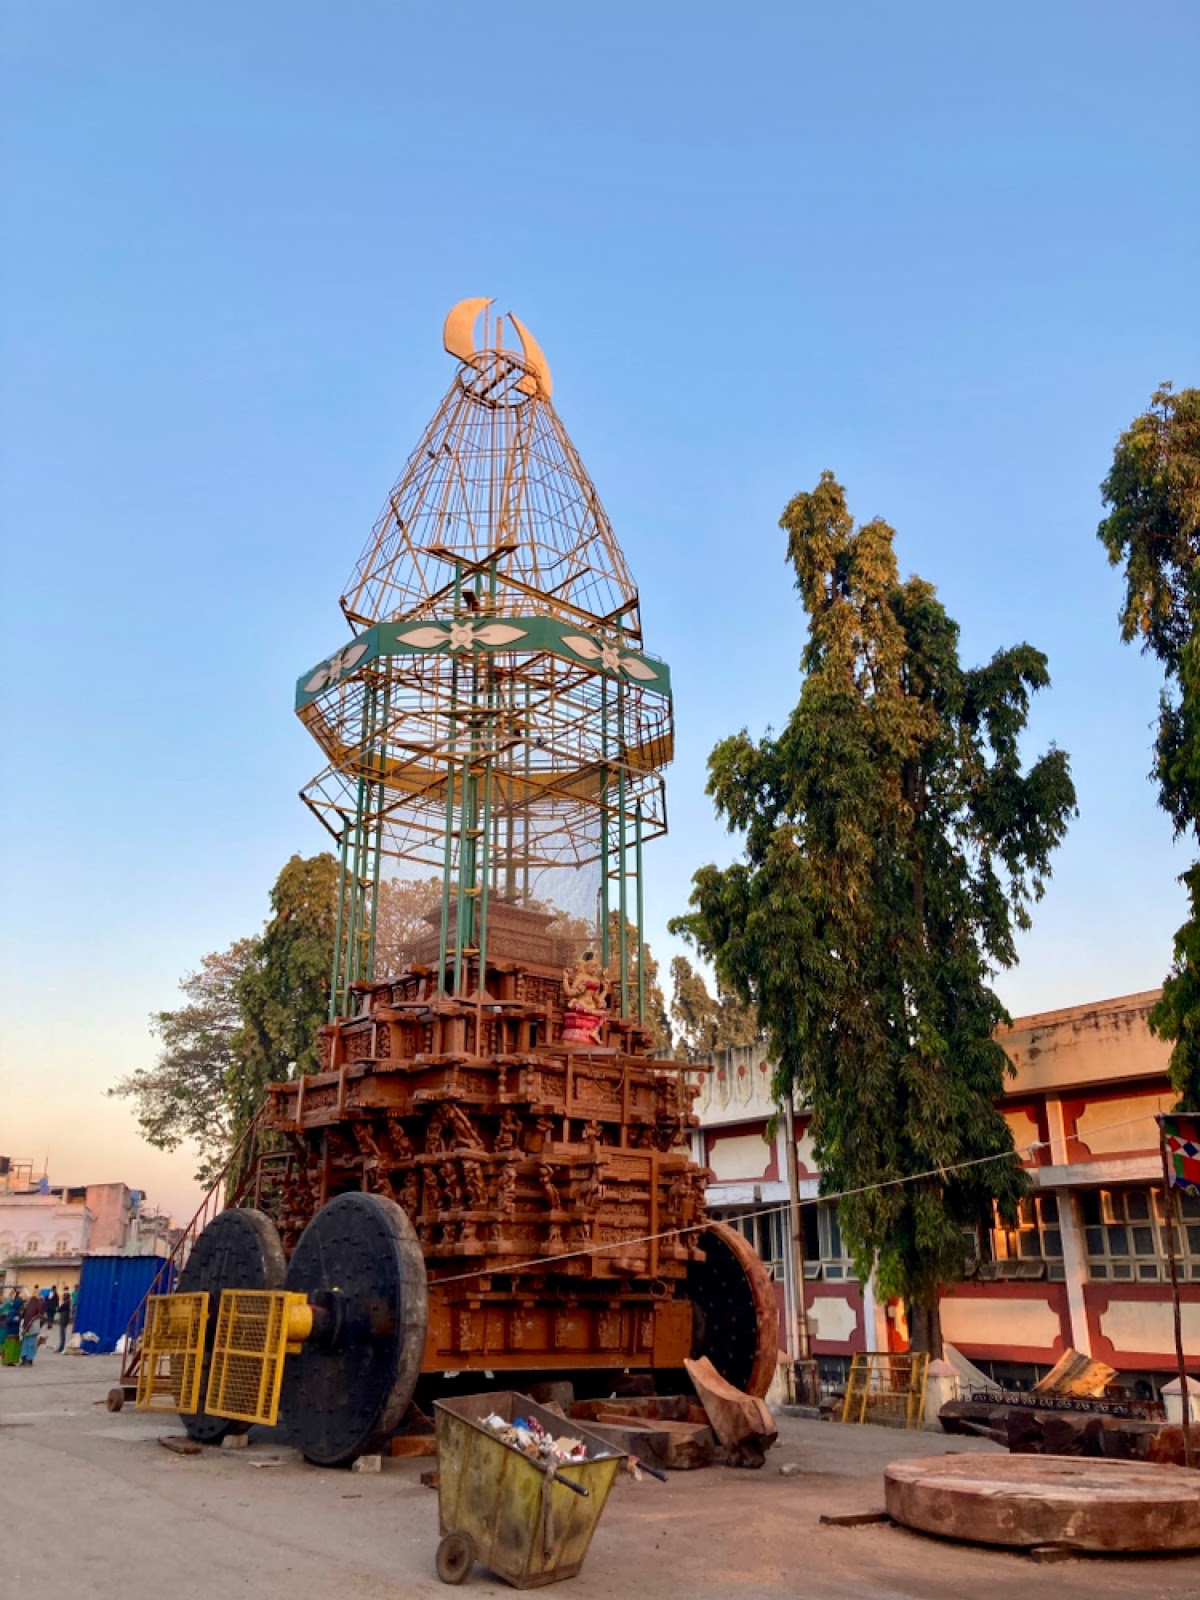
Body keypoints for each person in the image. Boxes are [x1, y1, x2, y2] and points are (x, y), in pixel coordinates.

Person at [19, 1292, 44, 1365]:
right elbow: (42, 1316)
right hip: (34, 1329)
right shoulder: (38, 1306)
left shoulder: (27, 1307)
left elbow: (22, 1316)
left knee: (25, 1343)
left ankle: (23, 1358)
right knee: (32, 1344)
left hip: (26, 1328)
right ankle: (29, 1359)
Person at [2, 1289, 23, 1366]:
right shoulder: (13, 1312)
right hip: (11, 1332)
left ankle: (9, 1361)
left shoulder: (15, 1311)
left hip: (14, 1332)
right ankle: (8, 1361)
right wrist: (16, 1320)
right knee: (11, 1348)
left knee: (13, 1347)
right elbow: (8, 1321)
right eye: (21, 1305)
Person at [57, 1287, 73, 1353]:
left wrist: (60, 1304)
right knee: (62, 1334)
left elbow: (59, 1309)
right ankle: (61, 1346)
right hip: (65, 1320)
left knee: (62, 1334)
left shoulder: (65, 1304)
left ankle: (61, 1347)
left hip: (63, 1320)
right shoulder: (68, 1303)